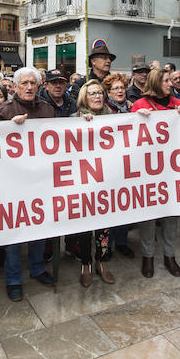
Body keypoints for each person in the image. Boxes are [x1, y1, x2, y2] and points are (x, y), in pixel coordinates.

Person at [0, 67, 56, 301]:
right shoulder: (4, 111)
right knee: (15, 232)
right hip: (13, 182)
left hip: (40, 180)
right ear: (16, 86)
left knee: (40, 227)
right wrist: (10, 127)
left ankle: (38, 268)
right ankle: (13, 278)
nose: (29, 87)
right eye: (24, 83)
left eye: (33, 83)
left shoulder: (48, 110)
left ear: (39, 86)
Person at [132, 68, 180, 278]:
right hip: (149, 169)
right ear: (156, 82)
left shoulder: (177, 103)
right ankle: (148, 256)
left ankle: (169, 255)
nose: (171, 84)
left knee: (171, 215)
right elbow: (128, 136)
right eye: (166, 81)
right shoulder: (140, 105)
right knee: (149, 215)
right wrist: (137, 118)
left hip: (173, 169)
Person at [69, 80, 117, 287]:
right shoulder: (72, 119)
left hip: (107, 181)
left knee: (104, 228)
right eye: (92, 94)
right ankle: (86, 264)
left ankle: (102, 262)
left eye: (100, 93)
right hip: (83, 183)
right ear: (84, 98)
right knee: (84, 227)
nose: (97, 96)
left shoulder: (115, 118)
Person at [101, 72, 136, 257]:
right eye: (115, 88)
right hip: (107, 167)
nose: (120, 90)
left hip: (128, 165)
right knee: (107, 210)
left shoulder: (132, 109)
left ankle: (121, 242)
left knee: (124, 206)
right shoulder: (103, 109)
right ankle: (105, 247)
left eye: (122, 87)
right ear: (108, 91)